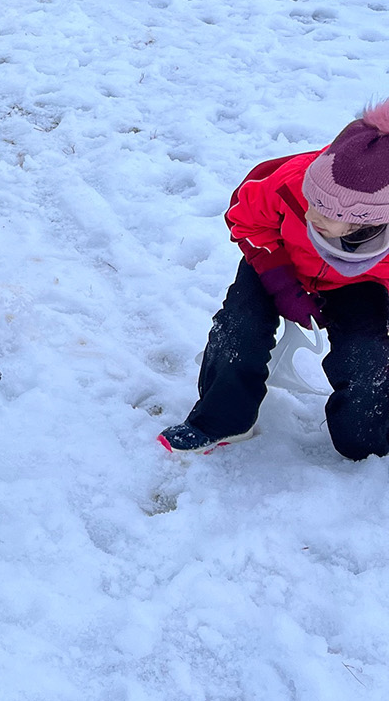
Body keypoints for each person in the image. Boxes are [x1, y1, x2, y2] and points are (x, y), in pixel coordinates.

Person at [160, 103, 389, 459]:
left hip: (359, 282)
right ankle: (222, 420)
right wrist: (281, 284)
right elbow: (246, 220)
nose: (309, 211)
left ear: (368, 222)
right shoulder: (291, 181)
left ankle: (366, 439)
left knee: (367, 357)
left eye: (325, 213)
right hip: (278, 257)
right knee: (240, 327)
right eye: (311, 199)